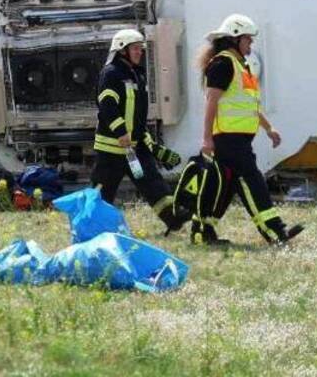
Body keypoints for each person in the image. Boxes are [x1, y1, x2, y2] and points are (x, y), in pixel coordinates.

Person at [193, 14, 304, 245]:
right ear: (235, 38)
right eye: (248, 40)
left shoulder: (241, 67)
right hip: (227, 138)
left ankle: (202, 232)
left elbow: (249, 105)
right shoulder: (223, 64)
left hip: (238, 139)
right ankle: (276, 232)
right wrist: (206, 138)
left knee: (221, 188)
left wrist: (269, 128)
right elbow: (211, 102)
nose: (251, 44)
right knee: (252, 180)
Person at [92, 29, 190, 233]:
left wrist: (151, 145)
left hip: (134, 148)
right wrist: (120, 132)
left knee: (152, 182)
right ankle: (93, 228)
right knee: (102, 193)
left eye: (140, 49)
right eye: (135, 49)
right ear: (121, 50)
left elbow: (137, 116)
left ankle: (172, 217)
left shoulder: (137, 75)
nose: (140, 53)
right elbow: (107, 105)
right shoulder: (111, 74)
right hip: (112, 148)